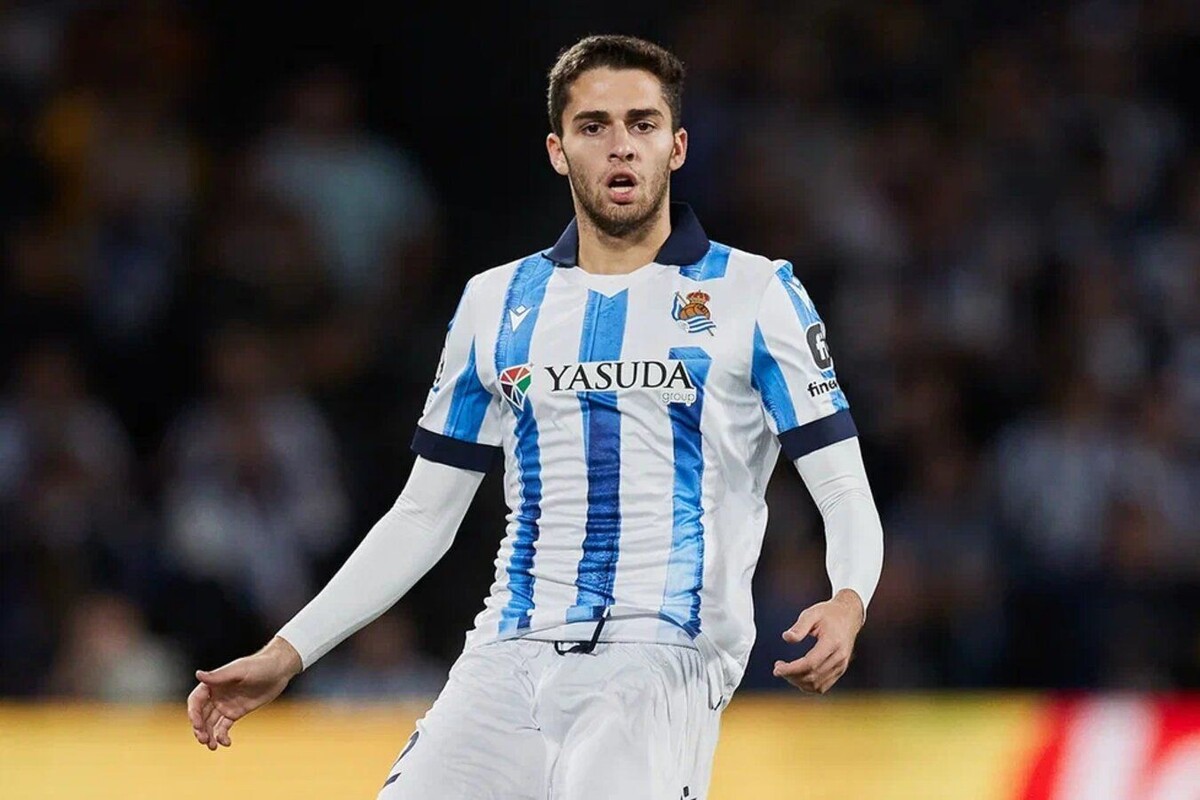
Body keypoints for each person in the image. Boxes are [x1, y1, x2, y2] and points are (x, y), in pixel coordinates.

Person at [187, 34, 884, 799]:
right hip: (506, 652)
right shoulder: (495, 302)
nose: (621, 146)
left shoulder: (757, 293)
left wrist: (849, 598)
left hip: (663, 656)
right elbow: (423, 515)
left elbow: (842, 486)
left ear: (677, 146)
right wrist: (288, 652)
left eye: (643, 124)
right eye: (594, 126)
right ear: (558, 150)